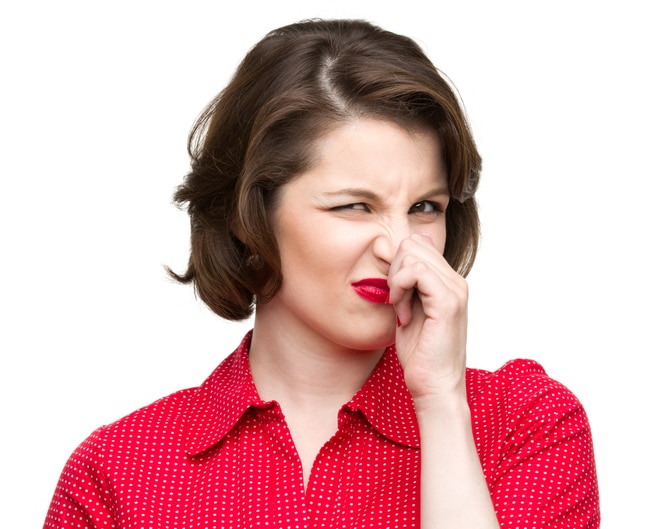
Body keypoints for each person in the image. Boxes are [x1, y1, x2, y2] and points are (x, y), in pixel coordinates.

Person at [43, 19, 600, 528]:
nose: (400, 247)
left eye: (425, 207)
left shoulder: (526, 425)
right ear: (248, 215)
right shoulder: (119, 470)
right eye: (353, 207)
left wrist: (439, 401)